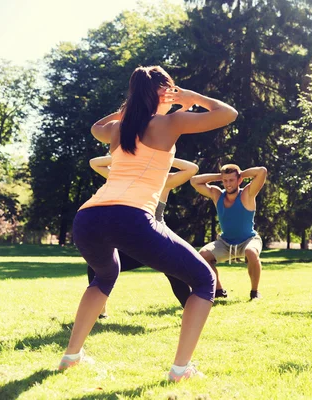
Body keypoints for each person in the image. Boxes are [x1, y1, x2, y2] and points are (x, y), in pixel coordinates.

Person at [58, 65, 238, 382]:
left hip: (88, 217)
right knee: (204, 278)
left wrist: (126, 109)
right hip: (130, 215)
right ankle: (181, 371)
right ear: (162, 92)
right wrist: (192, 97)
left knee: (104, 274)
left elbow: (96, 128)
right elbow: (227, 114)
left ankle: (70, 357)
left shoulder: (118, 127)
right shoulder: (171, 122)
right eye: (171, 88)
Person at [87, 155, 199, 317]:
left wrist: (164, 157)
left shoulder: (164, 181)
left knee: (176, 276)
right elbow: (94, 163)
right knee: (95, 265)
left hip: (156, 240)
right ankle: (100, 311)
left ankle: (192, 313)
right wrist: (128, 156)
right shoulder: (127, 181)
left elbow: (192, 168)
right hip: (132, 242)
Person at [191, 164, 267, 300]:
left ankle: (254, 292)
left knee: (251, 252)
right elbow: (194, 181)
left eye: (231, 180)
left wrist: (241, 173)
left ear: (239, 180)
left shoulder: (247, 194)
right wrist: (220, 176)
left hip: (249, 240)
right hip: (225, 242)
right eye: (225, 181)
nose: (228, 184)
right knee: (202, 255)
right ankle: (219, 290)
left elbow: (262, 171)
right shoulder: (217, 194)